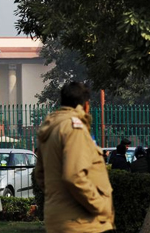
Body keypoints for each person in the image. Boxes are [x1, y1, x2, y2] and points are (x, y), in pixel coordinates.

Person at [34, 82, 114, 232]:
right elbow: (74, 176)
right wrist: (100, 205)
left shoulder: (52, 128)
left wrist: (59, 198)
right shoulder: (74, 128)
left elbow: (40, 175)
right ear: (85, 105)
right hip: (80, 221)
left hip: (59, 218)